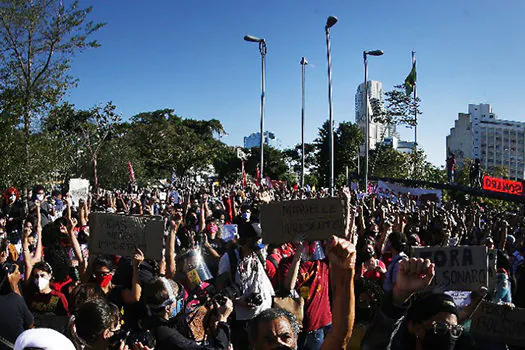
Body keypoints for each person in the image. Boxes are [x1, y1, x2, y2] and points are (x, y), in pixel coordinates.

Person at [248, 236, 357, 350]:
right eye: (269, 341)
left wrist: (347, 270)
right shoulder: (287, 263)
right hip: (305, 324)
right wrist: (298, 257)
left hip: (323, 322)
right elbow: (289, 286)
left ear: (294, 340)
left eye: (285, 337)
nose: (279, 345)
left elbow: (340, 336)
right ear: (254, 346)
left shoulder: (320, 263)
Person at [217, 222, 274, 349]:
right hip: (244, 320)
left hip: (264, 313)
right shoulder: (229, 259)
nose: (261, 243)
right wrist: (239, 301)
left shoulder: (259, 254)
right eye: (258, 239)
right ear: (248, 239)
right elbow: (220, 290)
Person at [140, 276, 233, 349]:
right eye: (178, 300)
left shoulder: (150, 324)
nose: (181, 302)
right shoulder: (167, 335)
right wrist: (222, 320)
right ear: (167, 308)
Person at [0, 251, 34, 350]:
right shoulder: (16, 300)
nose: (19, 274)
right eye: (17, 272)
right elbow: (30, 324)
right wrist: (13, 286)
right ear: (10, 277)